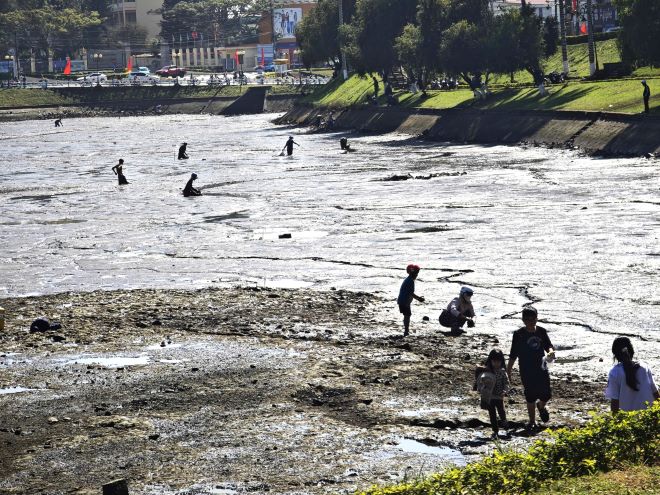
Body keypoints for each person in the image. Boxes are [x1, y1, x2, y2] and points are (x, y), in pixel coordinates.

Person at [506, 306, 555, 430]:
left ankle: (541, 406)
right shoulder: (519, 334)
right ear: (523, 320)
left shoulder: (541, 331)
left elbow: (548, 345)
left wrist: (550, 352)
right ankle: (532, 421)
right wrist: (509, 371)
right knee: (530, 395)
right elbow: (513, 354)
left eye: (532, 319)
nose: (529, 322)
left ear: (536, 319)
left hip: (541, 367)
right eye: (527, 319)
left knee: (546, 394)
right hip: (526, 369)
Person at [605, 337, 658, 412]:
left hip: (627, 420)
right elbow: (655, 393)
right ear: (632, 351)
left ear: (615, 354)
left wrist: (615, 421)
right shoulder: (645, 367)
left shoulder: (615, 372)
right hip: (647, 417)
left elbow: (615, 401)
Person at [477, 349, 509, 439]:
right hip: (490, 397)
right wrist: (480, 389)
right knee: (492, 414)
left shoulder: (503, 372)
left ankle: (505, 423)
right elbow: (480, 381)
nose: (496, 364)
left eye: (498, 362)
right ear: (490, 361)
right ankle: (495, 431)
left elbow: (506, 383)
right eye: (494, 361)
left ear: (502, 362)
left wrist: (505, 391)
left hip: (499, 396)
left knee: (502, 412)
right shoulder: (487, 371)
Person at [397, 264, 425, 337]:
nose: (417, 275)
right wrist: (419, 298)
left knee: (407, 315)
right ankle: (406, 331)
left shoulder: (409, 280)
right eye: (416, 273)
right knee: (407, 315)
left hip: (403, 301)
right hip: (404, 301)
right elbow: (410, 293)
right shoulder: (410, 281)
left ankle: (406, 330)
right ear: (412, 273)